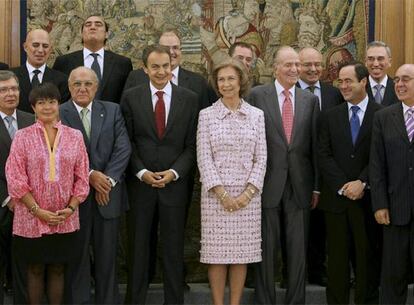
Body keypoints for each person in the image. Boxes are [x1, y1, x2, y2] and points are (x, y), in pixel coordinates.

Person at [121, 44, 198, 305]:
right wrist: (140, 172)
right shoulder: (131, 97)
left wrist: (175, 172)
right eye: (155, 66)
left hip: (174, 186)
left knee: (173, 249)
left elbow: (191, 145)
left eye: (166, 65)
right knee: (138, 248)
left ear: (172, 65)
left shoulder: (189, 98)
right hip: (140, 186)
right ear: (145, 68)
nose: (161, 71)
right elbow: (126, 142)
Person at [5, 82, 89, 305]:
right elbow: (15, 177)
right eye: (41, 103)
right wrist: (37, 210)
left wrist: (70, 208)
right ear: (33, 107)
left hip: (65, 217)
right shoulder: (22, 137)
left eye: (52, 101)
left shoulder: (75, 136)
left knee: (59, 268)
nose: (47, 107)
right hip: (31, 217)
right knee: (34, 269)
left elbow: (82, 177)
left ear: (58, 104)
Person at [248, 46, 319, 305]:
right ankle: (264, 301)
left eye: (297, 65)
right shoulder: (257, 95)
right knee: (265, 248)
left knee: (298, 250)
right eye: (288, 64)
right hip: (266, 183)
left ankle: (295, 301)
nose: (294, 69)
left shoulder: (309, 100)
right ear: (275, 67)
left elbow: (313, 147)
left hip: (300, 184)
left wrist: (316, 187)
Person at [197, 58, 266, 305]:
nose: (226, 84)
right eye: (221, 79)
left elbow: (262, 158)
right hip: (216, 198)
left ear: (241, 82)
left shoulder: (256, 115)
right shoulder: (206, 116)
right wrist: (223, 195)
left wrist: (246, 195)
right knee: (216, 255)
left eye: (231, 79)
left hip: (248, 199)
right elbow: (204, 158)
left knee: (241, 255)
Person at [60, 67, 131, 304]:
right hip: (73, 200)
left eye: (88, 84)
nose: (82, 88)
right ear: (69, 87)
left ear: (96, 87)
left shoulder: (112, 110)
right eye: (77, 84)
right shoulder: (59, 113)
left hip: (107, 196)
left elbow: (123, 148)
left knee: (107, 257)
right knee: (77, 258)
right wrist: (90, 175)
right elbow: (59, 154)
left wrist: (107, 181)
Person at [318, 62, 381, 304]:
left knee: (367, 261)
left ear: (363, 81)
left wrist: (362, 182)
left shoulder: (382, 114)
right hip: (337, 201)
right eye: (340, 82)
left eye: (348, 81)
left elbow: (380, 155)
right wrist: (344, 185)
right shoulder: (329, 116)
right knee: (336, 263)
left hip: (369, 201)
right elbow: (323, 154)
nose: (343, 86)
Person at [296, 47, 344, 287]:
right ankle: (294, 272)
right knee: (299, 224)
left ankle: (318, 270)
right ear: (298, 66)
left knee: (323, 225)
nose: (313, 69)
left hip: (329, 169)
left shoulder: (333, 93)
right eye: (307, 65)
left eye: (317, 64)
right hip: (299, 168)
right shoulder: (289, 91)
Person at [370, 64, 414, 304]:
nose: (399, 84)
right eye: (396, 79)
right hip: (395, 209)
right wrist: (379, 204)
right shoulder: (384, 117)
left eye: (406, 79)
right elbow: (377, 165)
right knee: (393, 277)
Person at [0, 71, 34, 305]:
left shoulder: (31, 120)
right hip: (2, 204)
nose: (10, 94)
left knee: (26, 265)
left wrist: (24, 198)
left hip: (28, 207)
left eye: (14, 89)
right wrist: (8, 198)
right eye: (3, 90)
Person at [53, 15, 132, 103]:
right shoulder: (63, 62)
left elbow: (127, 98)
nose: (93, 27)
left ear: (106, 34)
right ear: (81, 34)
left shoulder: (123, 63)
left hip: (111, 116)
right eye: (88, 25)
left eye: (98, 24)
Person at [124, 29, 210, 110]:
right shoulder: (135, 78)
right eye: (165, 48)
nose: (171, 52)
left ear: (181, 50)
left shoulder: (198, 82)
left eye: (175, 47)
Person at [11, 29, 70, 113]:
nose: (40, 50)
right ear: (25, 47)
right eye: (35, 45)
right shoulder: (11, 77)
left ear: (50, 49)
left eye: (45, 46)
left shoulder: (62, 80)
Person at [365, 41, 398, 106]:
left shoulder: (398, 88)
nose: (376, 64)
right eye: (371, 59)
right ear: (366, 62)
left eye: (380, 59)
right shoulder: (359, 88)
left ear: (390, 62)